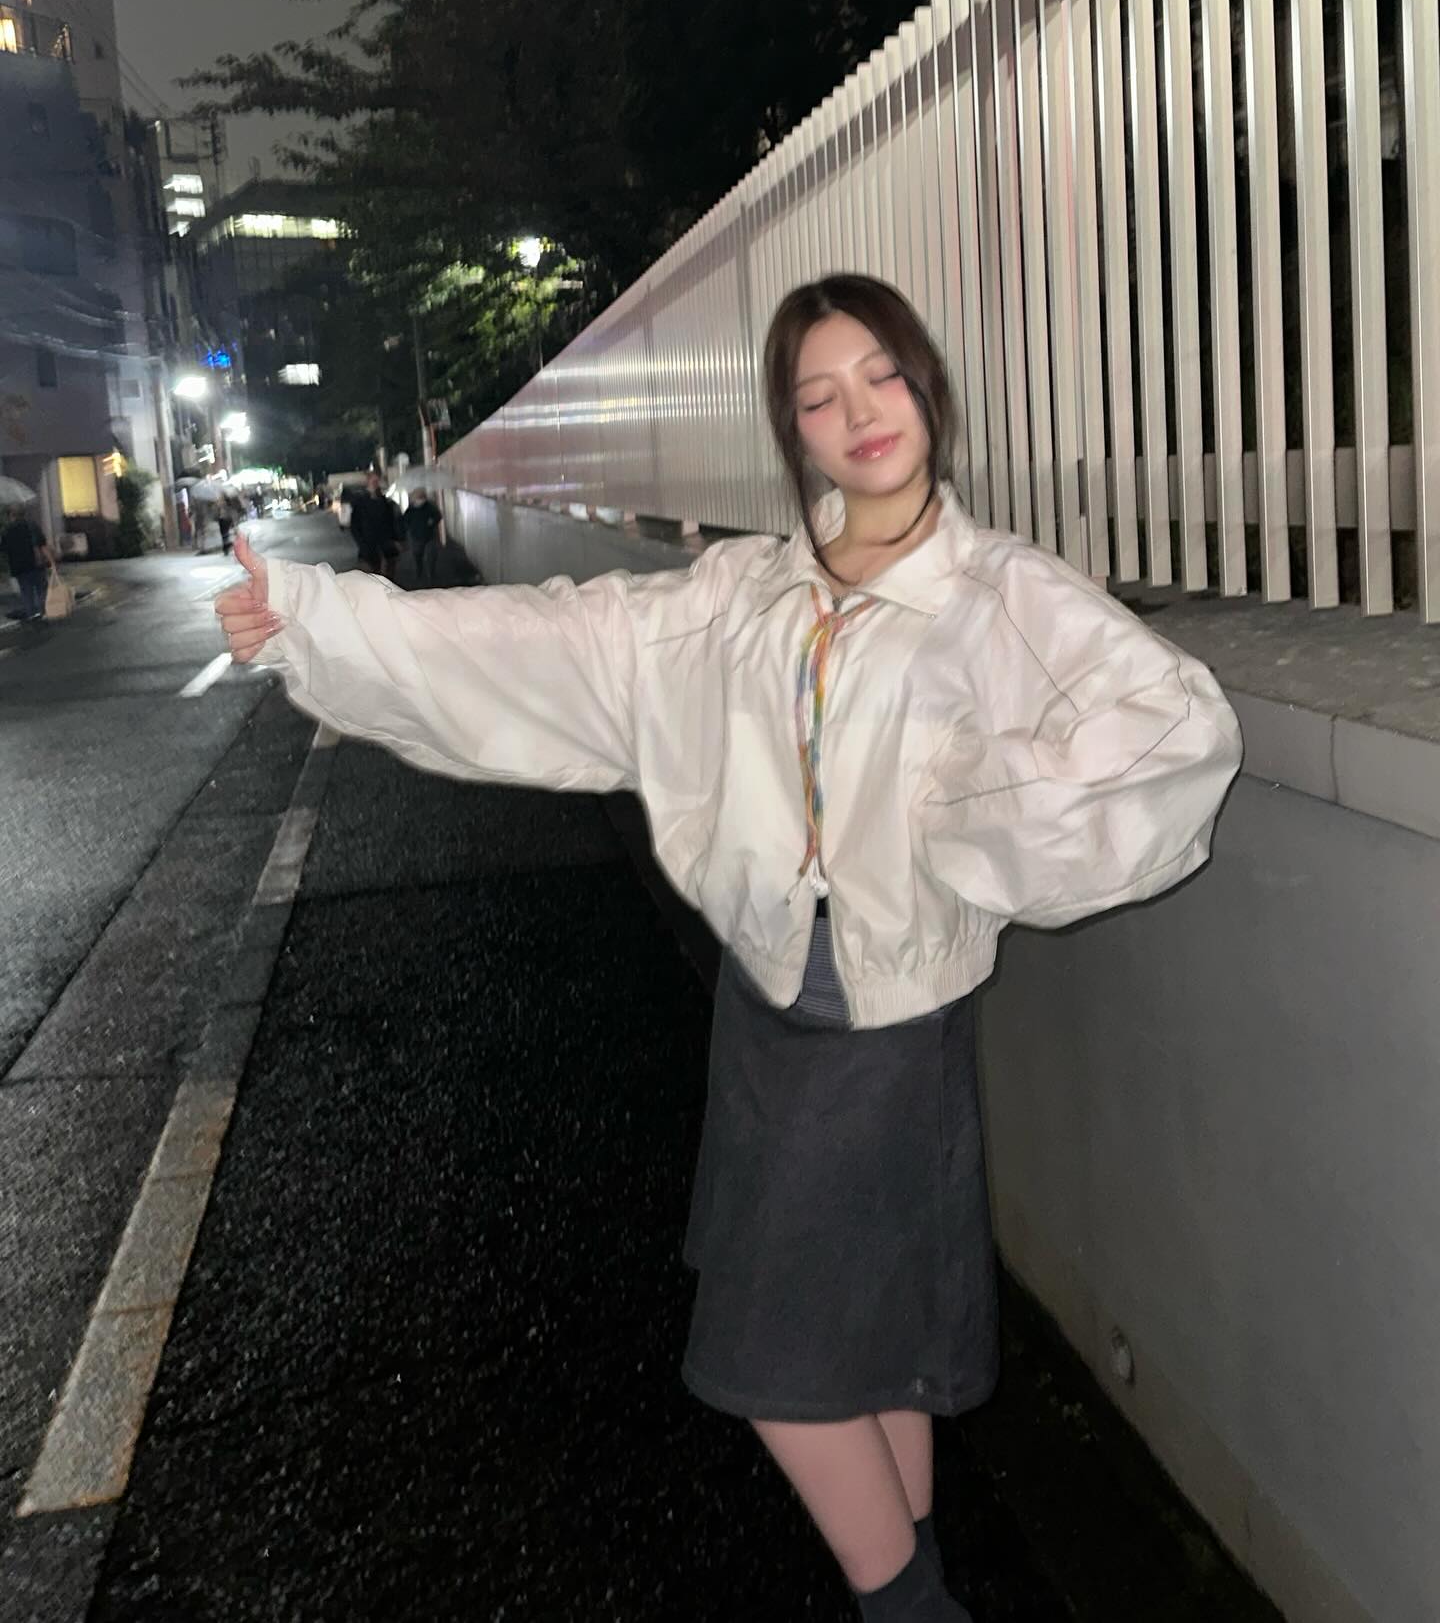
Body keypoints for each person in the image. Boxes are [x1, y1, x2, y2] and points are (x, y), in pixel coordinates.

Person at [214, 276, 1242, 1622]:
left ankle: (912, 1606)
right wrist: (313, 618)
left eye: (880, 374)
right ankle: (919, 1579)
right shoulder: (750, 593)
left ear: (925, 381)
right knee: (867, 1340)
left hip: (883, 1030)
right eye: (819, 396)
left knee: (776, 1361)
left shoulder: (999, 593)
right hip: (766, 1004)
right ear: (792, 429)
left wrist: (958, 814)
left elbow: (1171, 731)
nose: (858, 412)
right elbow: (545, 643)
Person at [348, 471, 402, 579]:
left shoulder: (385, 501)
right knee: (373, 574)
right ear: (368, 482)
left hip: (385, 542)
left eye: (377, 481)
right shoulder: (360, 502)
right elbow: (355, 525)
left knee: (389, 573)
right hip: (369, 543)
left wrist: (396, 539)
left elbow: (391, 521)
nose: (375, 483)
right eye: (373, 481)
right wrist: (361, 543)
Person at [3, 504, 50, 621]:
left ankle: (31, 615)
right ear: (24, 514)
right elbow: (42, 545)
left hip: (19, 567)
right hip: (36, 564)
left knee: (26, 592)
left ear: (11, 515)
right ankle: (42, 612)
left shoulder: (7, 530)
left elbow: (3, 548)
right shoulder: (32, 526)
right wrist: (51, 560)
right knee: (41, 589)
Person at [401, 487, 443, 586]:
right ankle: (419, 572)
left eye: (422, 497)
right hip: (416, 537)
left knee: (431, 556)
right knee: (417, 556)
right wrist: (410, 528)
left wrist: (432, 521)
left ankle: (431, 575)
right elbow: (405, 521)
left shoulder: (430, 507)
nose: (420, 500)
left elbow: (438, 516)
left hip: (429, 536)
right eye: (418, 497)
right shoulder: (411, 510)